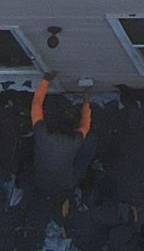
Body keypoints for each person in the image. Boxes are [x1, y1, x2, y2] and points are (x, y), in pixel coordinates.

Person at [28, 76, 94, 207]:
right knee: (90, 144)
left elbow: (36, 106)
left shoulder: (72, 142)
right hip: (42, 180)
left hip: (61, 183)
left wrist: (45, 80)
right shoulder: (44, 137)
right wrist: (86, 101)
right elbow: (85, 125)